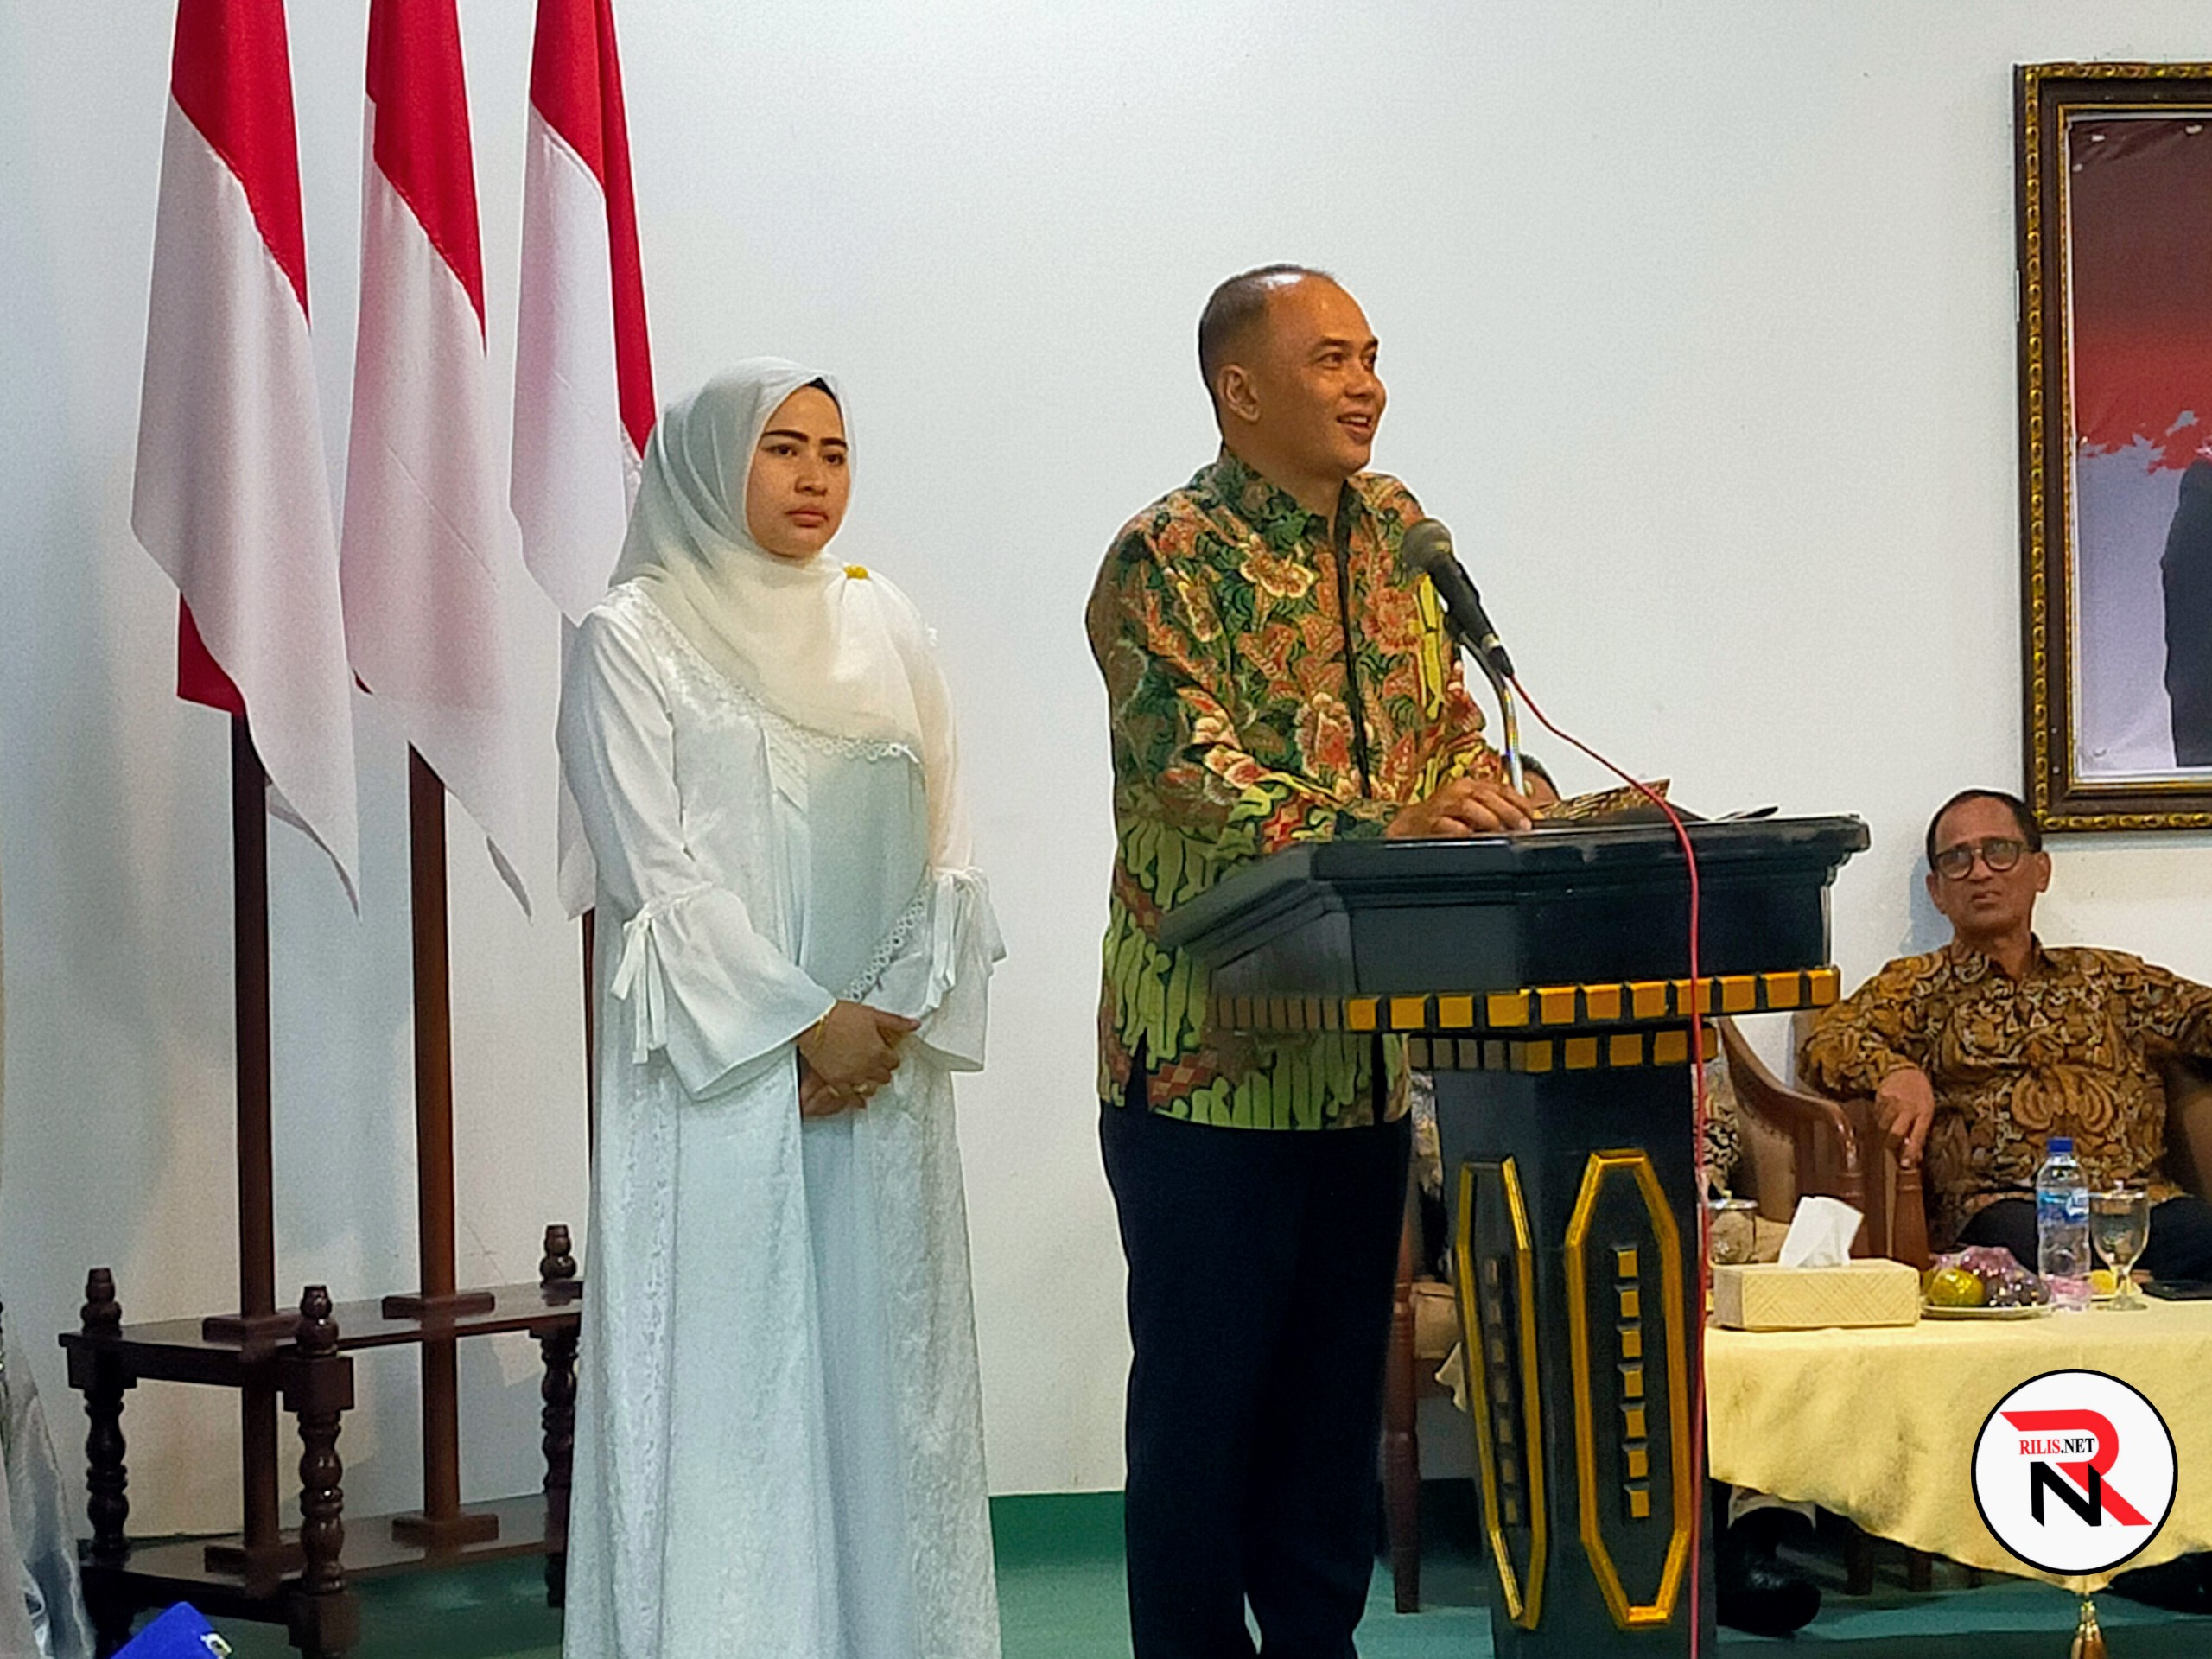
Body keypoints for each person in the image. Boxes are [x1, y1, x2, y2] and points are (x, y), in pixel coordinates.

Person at [1087, 264, 1537, 1657]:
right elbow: (1189, 771)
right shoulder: (1163, 558)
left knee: (1332, 1418)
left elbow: (1445, 732)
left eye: (1371, 357)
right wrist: (1384, 823)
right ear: (1241, 390)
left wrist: (1493, 795)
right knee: (1205, 1415)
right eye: (1331, 359)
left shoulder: (1397, 541)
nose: (1365, 386)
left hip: (1359, 1070)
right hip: (1204, 1071)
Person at [557, 361, 1005, 1657]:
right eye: (783, 448)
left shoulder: (887, 623)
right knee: (735, 1394)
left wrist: (885, 1020)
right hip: (726, 1084)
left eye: (834, 451)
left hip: (881, 1083)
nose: (815, 477)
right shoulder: (631, 636)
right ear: (710, 464)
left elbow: (949, 845)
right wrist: (807, 1025)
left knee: (886, 1393)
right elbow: (654, 878)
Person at [1802, 787, 2212, 1276]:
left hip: (2133, 1206)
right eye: (1958, 859)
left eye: (1999, 851)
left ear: (2041, 870)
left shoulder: (2108, 978)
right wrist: (1893, 1071)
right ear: (1937, 891)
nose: (1980, 872)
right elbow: (1825, 1042)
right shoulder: (1916, 986)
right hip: (2001, 1213)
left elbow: (2199, 1015)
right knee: (2034, 1250)